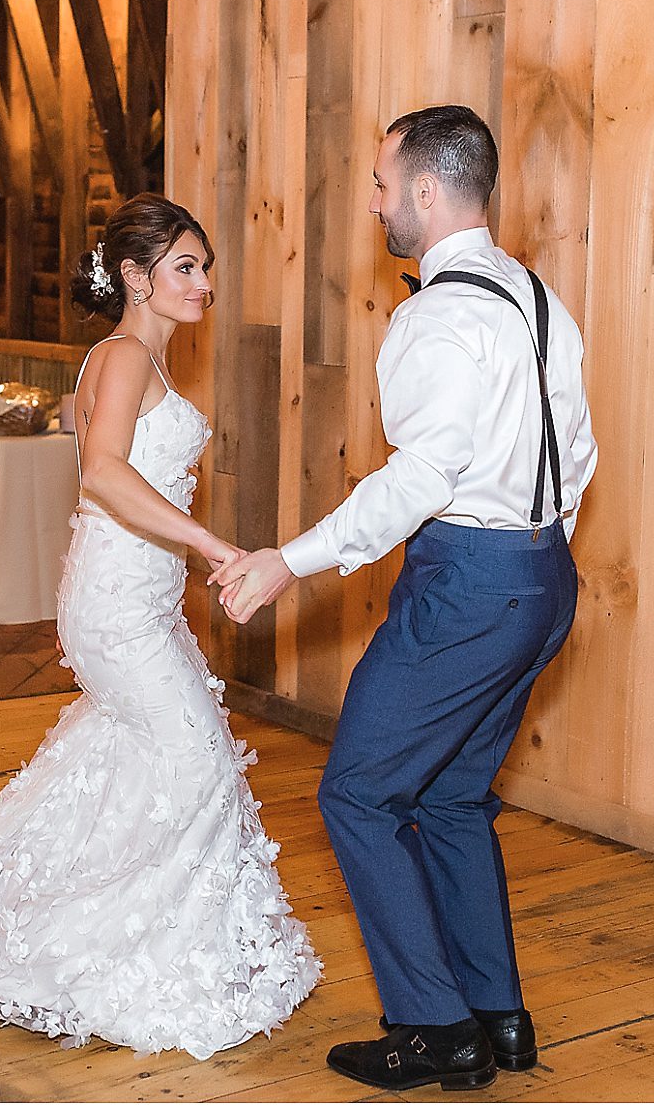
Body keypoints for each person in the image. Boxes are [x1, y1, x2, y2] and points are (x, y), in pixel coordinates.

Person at [0, 193, 320, 1059]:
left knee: (126, 762)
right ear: (135, 276)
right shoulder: (126, 355)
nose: (204, 283)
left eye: (204, 267)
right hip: (120, 606)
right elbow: (100, 469)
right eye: (185, 267)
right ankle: (92, 954)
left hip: (127, 594)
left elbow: (90, 450)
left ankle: (98, 930)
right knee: (196, 764)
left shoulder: (124, 358)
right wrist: (208, 542)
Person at [213, 106, 598, 1092]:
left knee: (357, 793)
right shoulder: (538, 296)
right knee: (452, 796)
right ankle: (498, 1016)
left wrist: (289, 560)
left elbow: (421, 478)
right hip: (545, 576)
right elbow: (579, 451)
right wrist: (530, 539)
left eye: (382, 185)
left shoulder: (435, 317)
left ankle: (436, 1030)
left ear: (426, 191)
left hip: (469, 585)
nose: (375, 204)